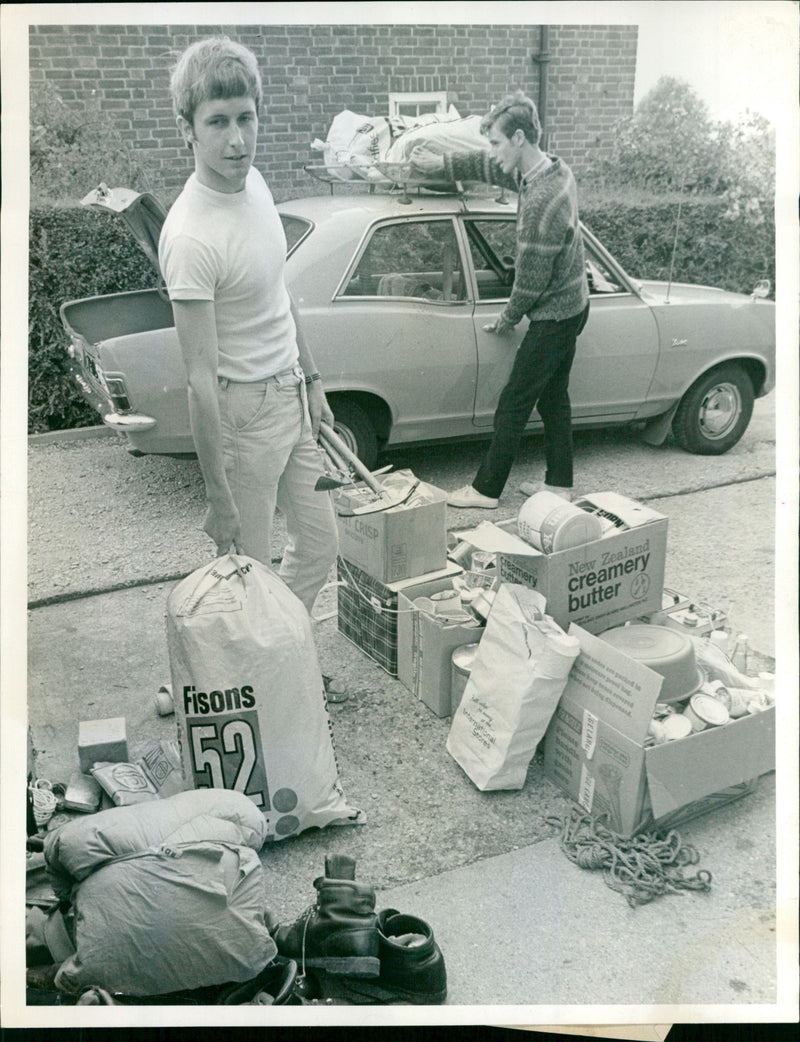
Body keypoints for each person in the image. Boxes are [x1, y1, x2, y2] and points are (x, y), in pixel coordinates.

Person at [158, 37, 338, 614]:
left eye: (246, 118)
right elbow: (199, 381)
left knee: (319, 544)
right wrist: (218, 496)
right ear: (187, 128)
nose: (237, 139)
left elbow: (277, 291)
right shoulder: (190, 236)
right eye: (217, 122)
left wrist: (312, 379)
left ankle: (280, 654)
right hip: (243, 417)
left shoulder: (255, 183)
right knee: (247, 578)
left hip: (290, 394)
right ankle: (254, 684)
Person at [411, 90, 590, 508]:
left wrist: (507, 319)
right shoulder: (551, 171)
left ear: (520, 139)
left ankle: (485, 490)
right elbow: (488, 167)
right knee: (554, 396)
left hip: (556, 314)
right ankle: (559, 484)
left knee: (514, 401)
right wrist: (442, 164)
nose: (493, 151)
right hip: (574, 303)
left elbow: (530, 280)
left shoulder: (543, 200)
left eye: (496, 142)